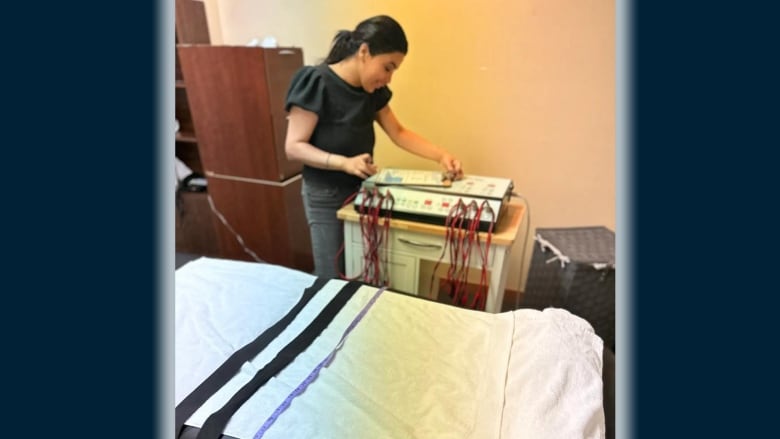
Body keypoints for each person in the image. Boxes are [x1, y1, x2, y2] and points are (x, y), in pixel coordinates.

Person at [284, 15, 463, 279]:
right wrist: (343, 162)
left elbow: (399, 132)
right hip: (324, 194)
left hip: (362, 191)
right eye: (387, 67)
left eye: (394, 71)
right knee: (331, 276)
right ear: (364, 52)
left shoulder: (372, 92)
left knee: (362, 268)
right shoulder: (317, 82)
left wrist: (442, 156)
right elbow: (294, 147)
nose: (388, 78)